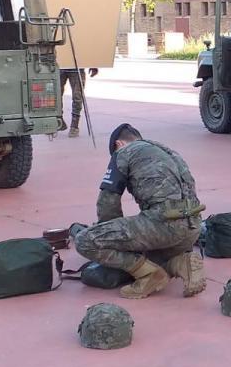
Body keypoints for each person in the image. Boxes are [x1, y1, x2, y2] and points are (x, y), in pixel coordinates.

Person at [71, 124, 207, 299]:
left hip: (165, 226)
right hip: (193, 228)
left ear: (119, 144)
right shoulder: (168, 151)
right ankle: (181, 262)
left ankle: (149, 275)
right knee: (148, 255)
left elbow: (107, 203)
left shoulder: (123, 153)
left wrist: (110, 238)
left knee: (84, 241)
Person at [59, 67, 98, 137]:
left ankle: (74, 125)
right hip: (59, 67)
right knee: (55, 95)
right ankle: (58, 121)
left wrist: (93, 65)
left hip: (77, 68)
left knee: (77, 96)